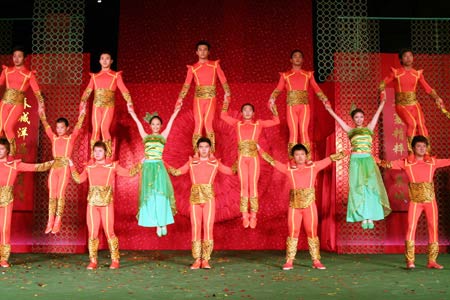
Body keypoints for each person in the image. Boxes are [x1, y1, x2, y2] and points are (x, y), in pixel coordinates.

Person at [259, 143, 345, 270]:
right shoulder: (288, 168)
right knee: (293, 232)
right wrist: (259, 150)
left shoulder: (313, 167)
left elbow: (331, 158)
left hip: (309, 206)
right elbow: (272, 161)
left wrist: (349, 151)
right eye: (297, 154)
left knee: (312, 232)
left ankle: (316, 260)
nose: (300, 157)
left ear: (306, 155)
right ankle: (289, 261)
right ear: (293, 156)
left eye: (302, 154)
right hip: (294, 206)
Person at [376, 135, 449, 269]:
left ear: (427, 148)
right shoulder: (406, 162)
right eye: (418, 146)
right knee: (411, 228)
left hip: (430, 201)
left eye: (423, 146)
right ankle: (410, 261)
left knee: (433, 227)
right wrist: (373, 159)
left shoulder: (432, 162)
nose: (421, 148)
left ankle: (432, 261)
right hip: (415, 202)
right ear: (413, 148)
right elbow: (387, 164)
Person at [70, 141, 139, 270]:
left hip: (106, 204)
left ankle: (115, 260)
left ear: (105, 152)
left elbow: (129, 173)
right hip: (92, 204)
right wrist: (71, 166)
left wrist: (142, 163)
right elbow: (79, 179)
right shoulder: (89, 167)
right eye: (95, 151)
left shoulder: (112, 166)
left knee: (109, 232)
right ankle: (93, 261)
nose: (97, 153)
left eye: (100, 151)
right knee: (92, 233)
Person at [167, 137, 234, 270]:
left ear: (210, 148)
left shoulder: (215, 163)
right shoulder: (192, 163)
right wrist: (161, 163)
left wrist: (244, 157)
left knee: (208, 228)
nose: (204, 149)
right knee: (196, 228)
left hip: (209, 198)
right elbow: (176, 172)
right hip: (195, 199)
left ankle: (206, 260)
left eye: (206, 147)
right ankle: (197, 259)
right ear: (197, 148)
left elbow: (232, 171)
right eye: (201, 147)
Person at [324, 98, 391, 228]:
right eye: (356, 117)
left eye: (361, 117)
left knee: (371, 188)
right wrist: (330, 110)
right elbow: (339, 121)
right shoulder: (350, 130)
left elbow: (376, 115)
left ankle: (370, 216)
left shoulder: (369, 128)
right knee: (357, 188)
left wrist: (382, 103)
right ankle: (362, 216)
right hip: (355, 161)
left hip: (368, 160)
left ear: (364, 118)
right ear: (353, 119)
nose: (359, 119)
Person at [379, 49, 446, 162]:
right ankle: (410, 152)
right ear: (401, 59)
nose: (408, 58)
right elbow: (382, 84)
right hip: (402, 105)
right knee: (412, 124)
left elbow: (427, 88)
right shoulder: (396, 72)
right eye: (405, 56)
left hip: (414, 104)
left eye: (410, 56)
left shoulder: (417, 74)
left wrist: (437, 98)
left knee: (422, 125)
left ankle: (427, 153)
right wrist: (383, 92)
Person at [221, 101, 279, 229]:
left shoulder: (259, 124)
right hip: (242, 158)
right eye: (245, 110)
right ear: (241, 113)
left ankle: (253, 215)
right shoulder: (237, 124)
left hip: (253, 158)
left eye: (250, 110)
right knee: (244, 186)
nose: (247, 112)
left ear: (253, 113)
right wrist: (226, 100)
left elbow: (276, 121)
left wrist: (273, 107)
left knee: (253, 186)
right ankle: (244, 215)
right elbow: (223, 116)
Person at [0, 138, 53, 268]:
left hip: (5, 200)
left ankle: (3, 259)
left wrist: (53, 163)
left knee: (4, 229)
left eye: (1, 149)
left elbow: (36, 167)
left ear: (7, 150)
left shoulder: (14, 165)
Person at [128, 106, 180, 237]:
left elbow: (171, 124)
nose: (155, 126)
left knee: (161, 195)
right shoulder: (145, 136)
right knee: (150, 196)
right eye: (153, 124)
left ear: (161, 125)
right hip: (147, 167)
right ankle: (157, 223)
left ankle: (163, 222)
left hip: (158, 167)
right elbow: (138, 124)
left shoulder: (163, 136)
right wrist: (133, 114)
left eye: (158, 124)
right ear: (150, 125)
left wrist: (175, 113)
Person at [268, 49, 328, 158]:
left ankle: (308, 158)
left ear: (303, 60)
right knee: (294, 133)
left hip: (304, 107)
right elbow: (278, 89)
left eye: (300, 56)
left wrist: (324, 99)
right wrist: (272, 99)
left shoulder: (308, 75)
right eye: (295, 56)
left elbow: (316, 88)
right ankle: (292, 160)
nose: (297, 58)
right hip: (291, 107)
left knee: (304, 132)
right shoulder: (285, 75)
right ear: (291, 60)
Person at [38, 104, 86, 234]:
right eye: (57, 127)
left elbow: (78, 127)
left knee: (60, 194)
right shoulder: (53, 137)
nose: (59, 130)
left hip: (65, 168)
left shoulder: (70, 138)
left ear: (67, 128)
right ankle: (50, 221)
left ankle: (58, 221)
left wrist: (82, 113)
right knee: (52, 194)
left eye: (61, 127)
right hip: (54, 167)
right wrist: (41, 112)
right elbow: (46, 125)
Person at [176, 40, 231, 153]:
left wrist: (228, 93)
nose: (202, 52)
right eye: (200, 50)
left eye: (205, 49)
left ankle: (211, 154)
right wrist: (180, 98)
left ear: (208, 52)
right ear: (196, 52)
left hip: (211, 98)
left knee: (208, 124)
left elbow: (223, 79)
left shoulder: (214, 65)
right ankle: (197, 153)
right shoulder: (193, 68)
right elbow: (186, 84)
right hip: (198, 99)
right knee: (198, 124)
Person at [79, 52, 133, 160]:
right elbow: (88, 90)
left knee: (104, 129)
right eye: (102, 58)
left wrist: (129, 101)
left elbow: (123, 89)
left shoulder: (115, 75)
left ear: (111, 61)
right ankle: (93, 157)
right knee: (95, 130)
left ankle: (108, 156)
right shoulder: (94, 76)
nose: (104, 61)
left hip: (108, 106)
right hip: (96, 106)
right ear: (99, 61)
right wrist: (82, 102)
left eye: (107, 58)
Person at [0, 46, 45, 158]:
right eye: (14, 56)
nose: (16, 59)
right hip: (4, 103)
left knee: (7, 127)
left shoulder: (29, 74)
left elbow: (37, 92)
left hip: (17, 105)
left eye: (19, 56)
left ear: (24, 58)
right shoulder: (6, 71)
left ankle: (12, 153)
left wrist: (41, 106)